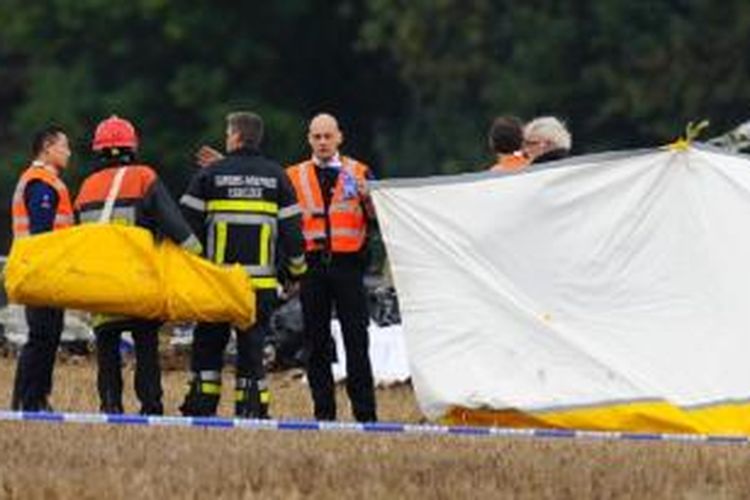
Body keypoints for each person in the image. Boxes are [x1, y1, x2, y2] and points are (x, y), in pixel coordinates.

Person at [179, 111, 306, 419]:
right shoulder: (276, 176)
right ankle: (251, 411)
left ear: (235, 137)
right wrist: (296, 273)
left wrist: (191, 267)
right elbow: (292, 232)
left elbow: (184, 225)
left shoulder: (210, 175)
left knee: (208, 348)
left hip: (217, 285)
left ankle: (201, 410)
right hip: (258, 288)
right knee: (252, 351)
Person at [74, 115, 202, 415]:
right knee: (145, 347)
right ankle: (151, 407)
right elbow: (174, 224)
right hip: (137, 286)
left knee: (107, 349)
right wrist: (199, 259)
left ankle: (110, 407)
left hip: (101, 287)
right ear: (132, 147)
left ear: (100, 150)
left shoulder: (86, 187)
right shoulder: (144, 177)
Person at [287, 113, 378, 422]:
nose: (323, 142)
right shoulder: (294, 176)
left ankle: (365, 414)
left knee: (357, 340)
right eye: (317, 137)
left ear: (340, 137)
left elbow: (380, 219)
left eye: (328, 136)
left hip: (348, 266)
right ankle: (324, 413)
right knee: (315, 342)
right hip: (312, 268)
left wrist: (369, 200)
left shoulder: (360, 172)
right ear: (309, 139)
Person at [10, 125, 75, 411]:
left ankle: (31, 400)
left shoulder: (39, 180)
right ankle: (31, 401)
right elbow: (42, 233)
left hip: (38, 270)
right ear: (48, 148)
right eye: (65, 146)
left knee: (46, 334)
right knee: (43, 336)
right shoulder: (42, 183)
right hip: (41, 272)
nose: (69, 152)